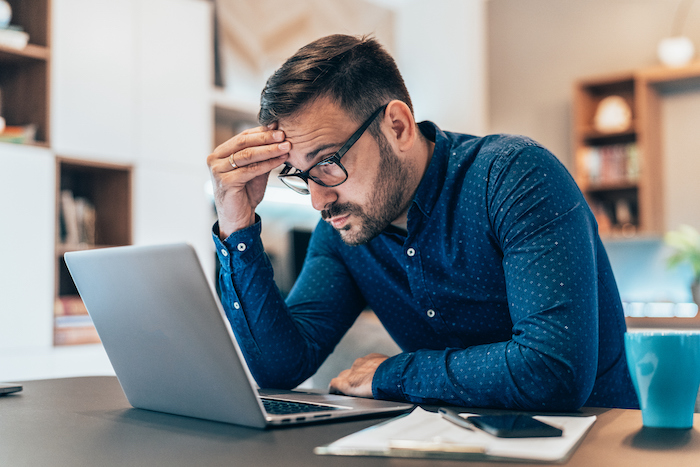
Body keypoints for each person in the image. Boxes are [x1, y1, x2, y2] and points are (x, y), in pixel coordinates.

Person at [206, 34, 638, 410]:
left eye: (328, 163)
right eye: (301, 176)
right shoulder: (344, 231)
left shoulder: (515, 177)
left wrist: (393, 375)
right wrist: (237, 226)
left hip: (591, 443)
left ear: (397, 126)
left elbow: (552, 370)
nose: (319, 199)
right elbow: (279, 367)